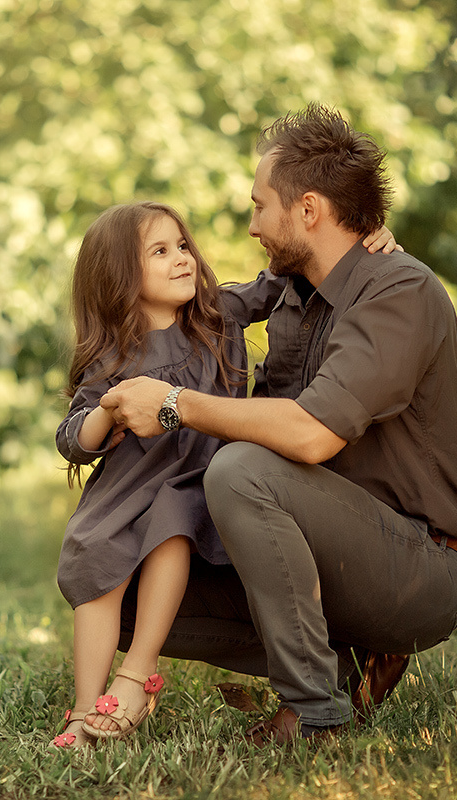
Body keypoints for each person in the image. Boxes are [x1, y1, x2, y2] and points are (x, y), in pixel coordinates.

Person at [100, 104, 457, 745]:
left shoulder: (399, 292)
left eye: (260, 207)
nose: (252, 227)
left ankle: (314, 713)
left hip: (423, 566)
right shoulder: (290, 293)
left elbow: (310, 434)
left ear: (308, 210)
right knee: (121, 576)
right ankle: (340, 662)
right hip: (317, 540)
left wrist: (176, 403)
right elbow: (189, 321)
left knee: (243, 471)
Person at [51, 200, 397, 748]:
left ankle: (137, 676)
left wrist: (361, 240)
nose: (182, 259)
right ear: (119, 278)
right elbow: (72, 439)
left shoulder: (218, 313)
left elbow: (287, 274)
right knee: (94, 553)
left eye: (182, 246)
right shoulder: (114, 357)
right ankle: (84, 709)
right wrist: (106, 414)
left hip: (197, 481)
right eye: (160, 252)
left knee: (172, 527)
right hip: (128, 487)